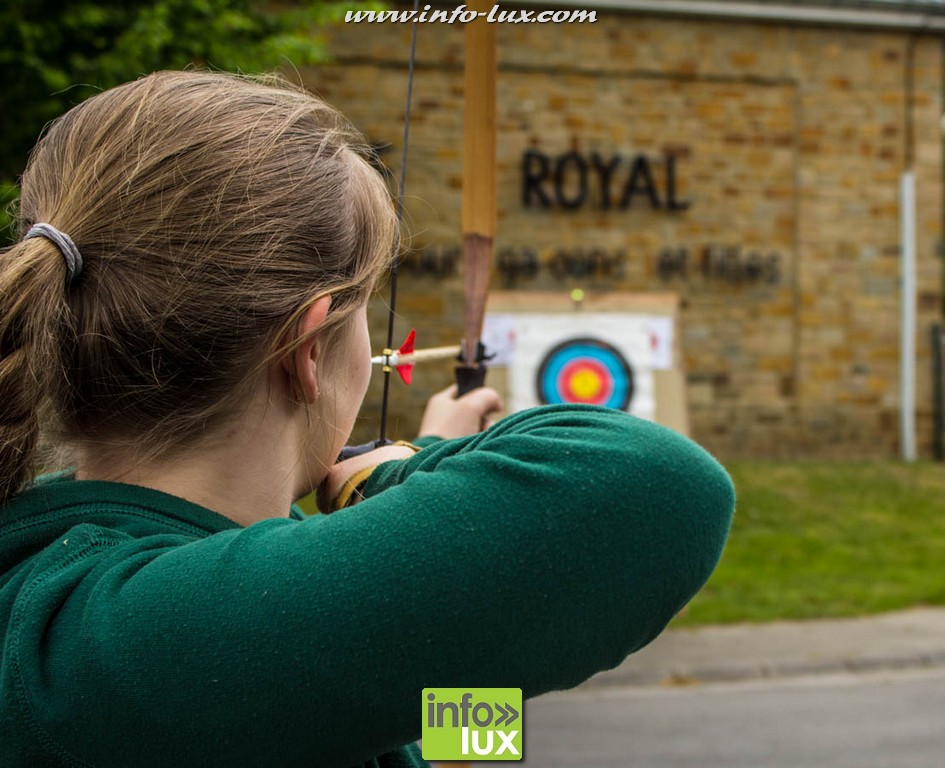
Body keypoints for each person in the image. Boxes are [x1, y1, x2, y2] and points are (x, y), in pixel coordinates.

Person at [0, 70, 735, 767]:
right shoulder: (127, 642)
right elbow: (659, 485)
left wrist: (454, 590)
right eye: (365, 311)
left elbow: (419, 728)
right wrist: (396, 474)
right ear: (306, 348)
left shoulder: (75, 594)